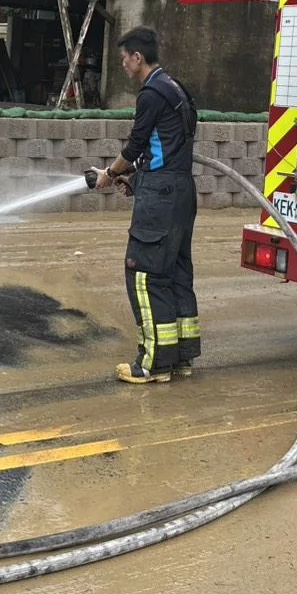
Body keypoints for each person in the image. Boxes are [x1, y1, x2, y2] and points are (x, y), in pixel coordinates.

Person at [92, 27, 199, 385]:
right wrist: (137, 179)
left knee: (145, 275)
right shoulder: (176, 88)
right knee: (176, 273)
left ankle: (152, 363)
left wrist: (110, 174)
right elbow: (167, 148)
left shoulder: (151, 93)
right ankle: (180, 358)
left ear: (138, 58)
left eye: (125, 59)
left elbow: (136, 144)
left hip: (162, 198)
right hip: (181, 192)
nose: (123, 65)